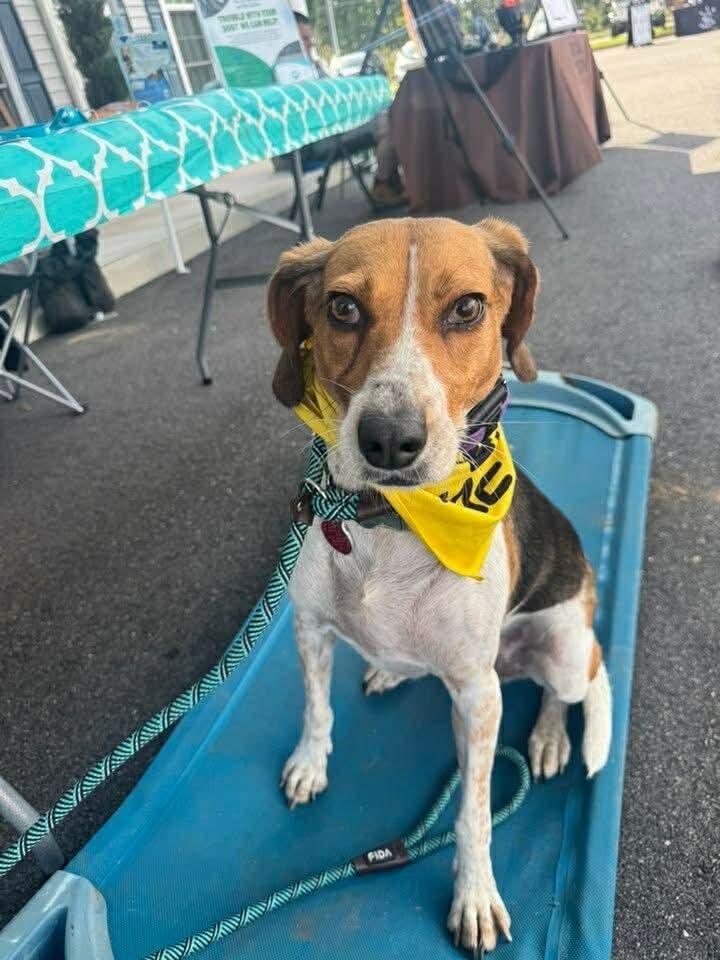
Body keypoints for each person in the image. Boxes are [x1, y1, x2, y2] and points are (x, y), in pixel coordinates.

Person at [289, 0, 408, 208]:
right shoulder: (290, 77)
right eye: (303, 40)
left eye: (309, 39)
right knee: (389, 121)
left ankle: (389, 180)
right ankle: (383, 183)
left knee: (394, 115)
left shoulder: (313, 66)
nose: (308, 44)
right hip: (320, 138)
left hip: (338, 127)